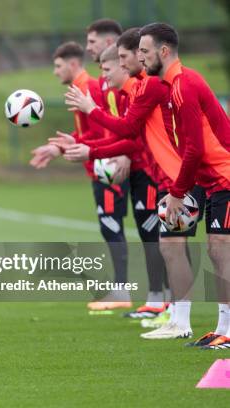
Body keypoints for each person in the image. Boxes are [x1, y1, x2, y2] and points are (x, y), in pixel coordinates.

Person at [64, 27, 208, 340]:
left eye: (135, 55)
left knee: (197, 245)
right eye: (135, 54)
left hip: (181, 176)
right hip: (168, 176)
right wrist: (91, 149)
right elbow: (133, 137)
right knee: (171, 244)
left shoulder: (152, 86)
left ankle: (186, 318)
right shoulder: (142, 88)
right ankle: (175, 317)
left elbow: (129, 131)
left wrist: (92, 115)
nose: (138, 60)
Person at [59, 44, 169, 321]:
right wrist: (82, 144)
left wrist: (98, 145)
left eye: (94, 41)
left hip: (147, 170)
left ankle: (166, 303)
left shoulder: (127, 89)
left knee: (162, 237)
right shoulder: (121, 90)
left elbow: (126, 133)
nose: (90, 47)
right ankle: (160, 302)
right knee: (154, 236)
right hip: (132, 166)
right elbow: (120, 132)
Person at [140, 22, 230, 348]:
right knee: (217, 249)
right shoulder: (175, 84)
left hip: (225, 174)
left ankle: (227, 330)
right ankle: (221, 329)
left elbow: (195, 148)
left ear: (163, 52)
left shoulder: (183, 85)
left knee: (220, 249)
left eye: (145, 51)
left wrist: (178, 193)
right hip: (212, 179)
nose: (141, 57)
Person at [30, 41, 132, 311]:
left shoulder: (90, 88)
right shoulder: (83, 88)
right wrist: (59, 147)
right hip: (99, 165)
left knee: (112, 226)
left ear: (73, 64)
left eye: (58, 65)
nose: (55, 71)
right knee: (109, 226)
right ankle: (125, 291)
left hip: (107, 167)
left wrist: (114, 158)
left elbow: (104, 132)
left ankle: (125, 291)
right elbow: (90, 134)